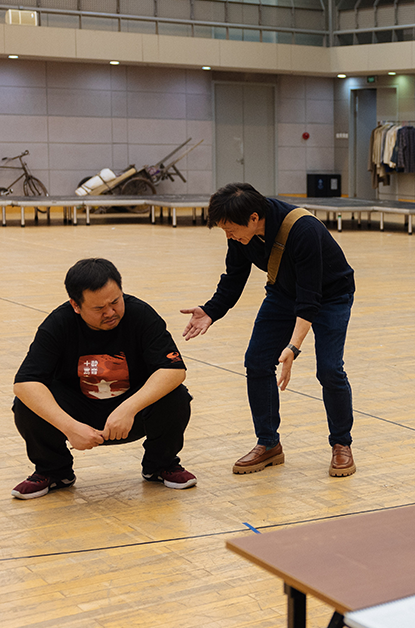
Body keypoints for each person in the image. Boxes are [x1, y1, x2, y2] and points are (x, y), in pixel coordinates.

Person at [181, 183, 357, 477]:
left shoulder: (303, 230)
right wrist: (211, 310)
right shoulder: (241, 234)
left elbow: (310, 298)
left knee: (329, 369)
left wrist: (293, 347)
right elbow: (234, 276)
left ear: (253, 218)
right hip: (283, 292)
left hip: (331, 296)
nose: (229, 236)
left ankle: (341, 443)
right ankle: (269, 443)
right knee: (257, 361)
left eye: (230, 229)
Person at [12, 258, 194, 499]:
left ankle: (161, 465)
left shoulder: (141, 315)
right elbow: (25, 383)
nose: (110, 313)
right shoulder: (58, 324)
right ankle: (54, 471)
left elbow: (174, 370)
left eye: (115, 301)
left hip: (131, 412)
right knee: (27, 403)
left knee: (175, 395)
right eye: (99, 308)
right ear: (76, 305)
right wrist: (69, 427)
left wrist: (128, 408)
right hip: (78, 413)